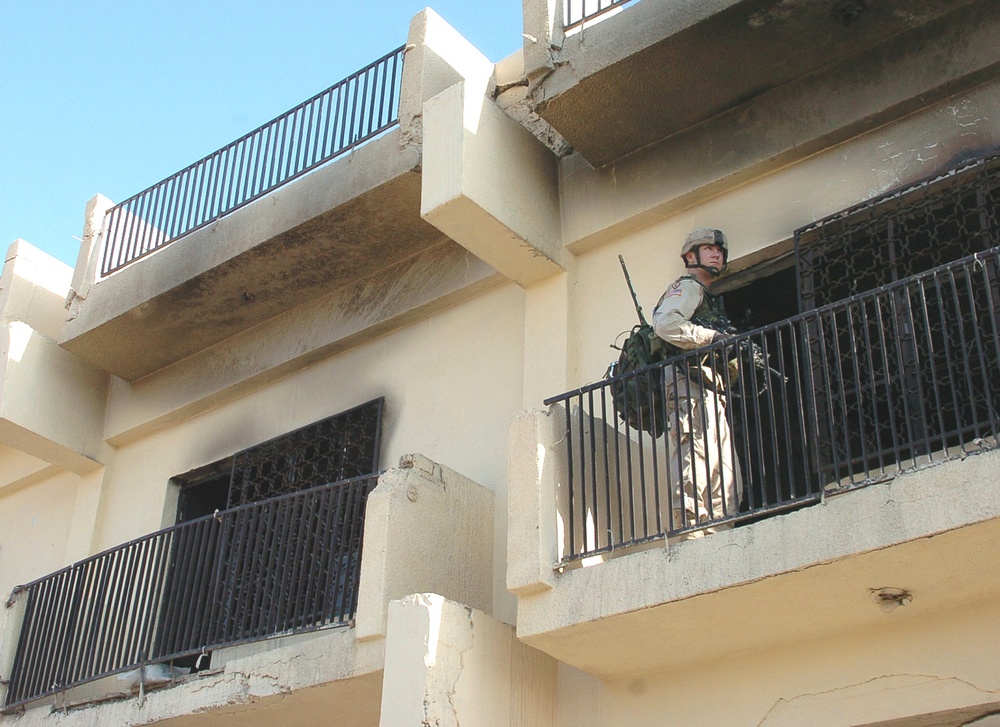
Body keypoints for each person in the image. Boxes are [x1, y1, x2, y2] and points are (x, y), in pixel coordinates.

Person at [651, 228, 743, 539]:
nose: (717, 254)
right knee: (697, 452)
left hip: (707, 387)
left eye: (719, 250)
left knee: (721, 464)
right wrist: (711, 338)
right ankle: (691, 525)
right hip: (687, 383)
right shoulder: (688, 287)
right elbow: (665, 323)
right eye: (709, 248)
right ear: (692, 256)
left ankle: (719, 527)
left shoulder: (707, 297)